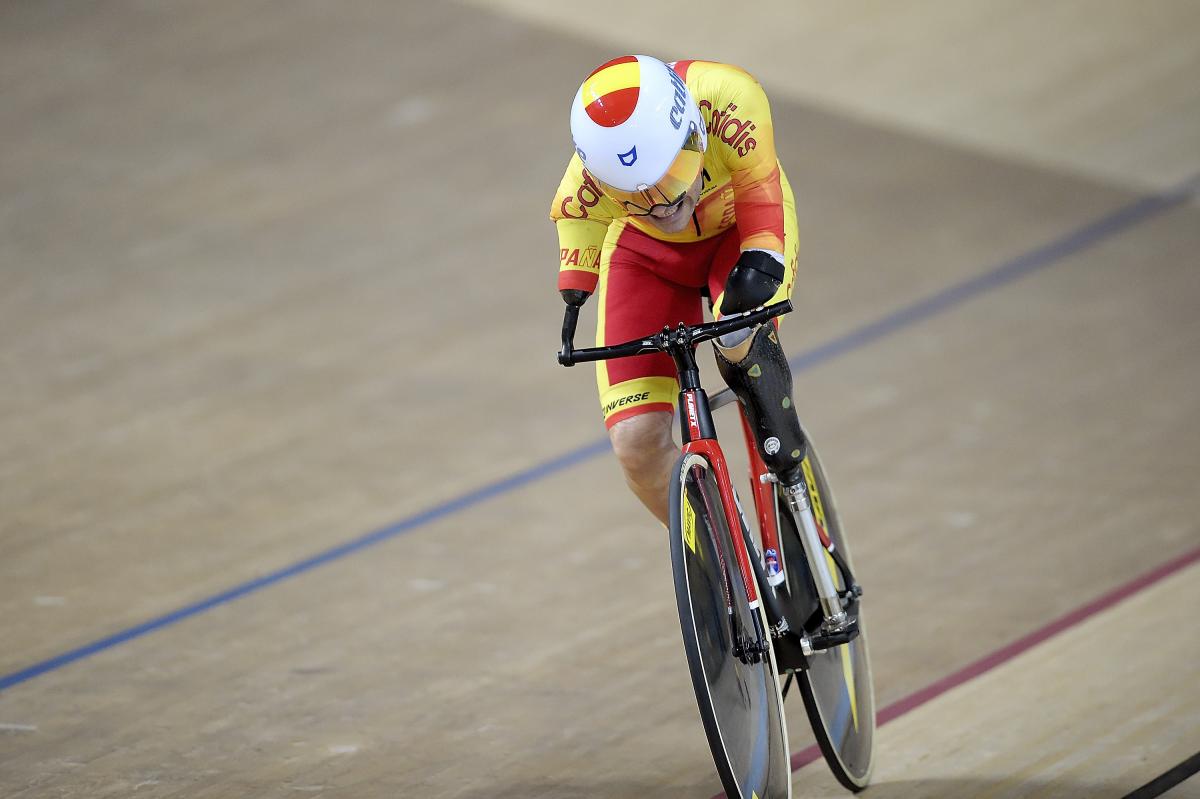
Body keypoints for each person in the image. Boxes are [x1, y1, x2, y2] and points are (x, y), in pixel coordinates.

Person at [551, 55, 807, 526]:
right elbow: (576, 229)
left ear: (693, 133)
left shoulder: (730, 99)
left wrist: (761, 264)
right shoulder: (581, 188)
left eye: (670, 179)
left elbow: (758, 189)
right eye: (635, 195)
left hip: (738, 226)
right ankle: (724, 561)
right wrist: (574, 300)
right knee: (636, 444)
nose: (662, 204)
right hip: (647, 258)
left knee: (739, 341)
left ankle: (787, 460)